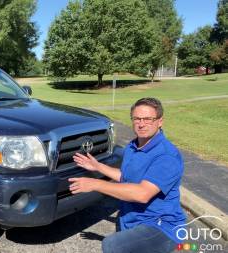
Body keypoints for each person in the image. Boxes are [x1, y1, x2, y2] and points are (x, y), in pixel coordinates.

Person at [68, 97, 186, 253]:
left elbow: (142, 194)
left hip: (161, 227)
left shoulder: (166, 156)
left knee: (112, 245)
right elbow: (126, 177)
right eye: (137, 118)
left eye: (148, 119)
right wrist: (97, 166)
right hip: (133, 220)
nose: (141, 124)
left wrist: (95, 184)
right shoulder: (133, 146)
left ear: (160, 121)